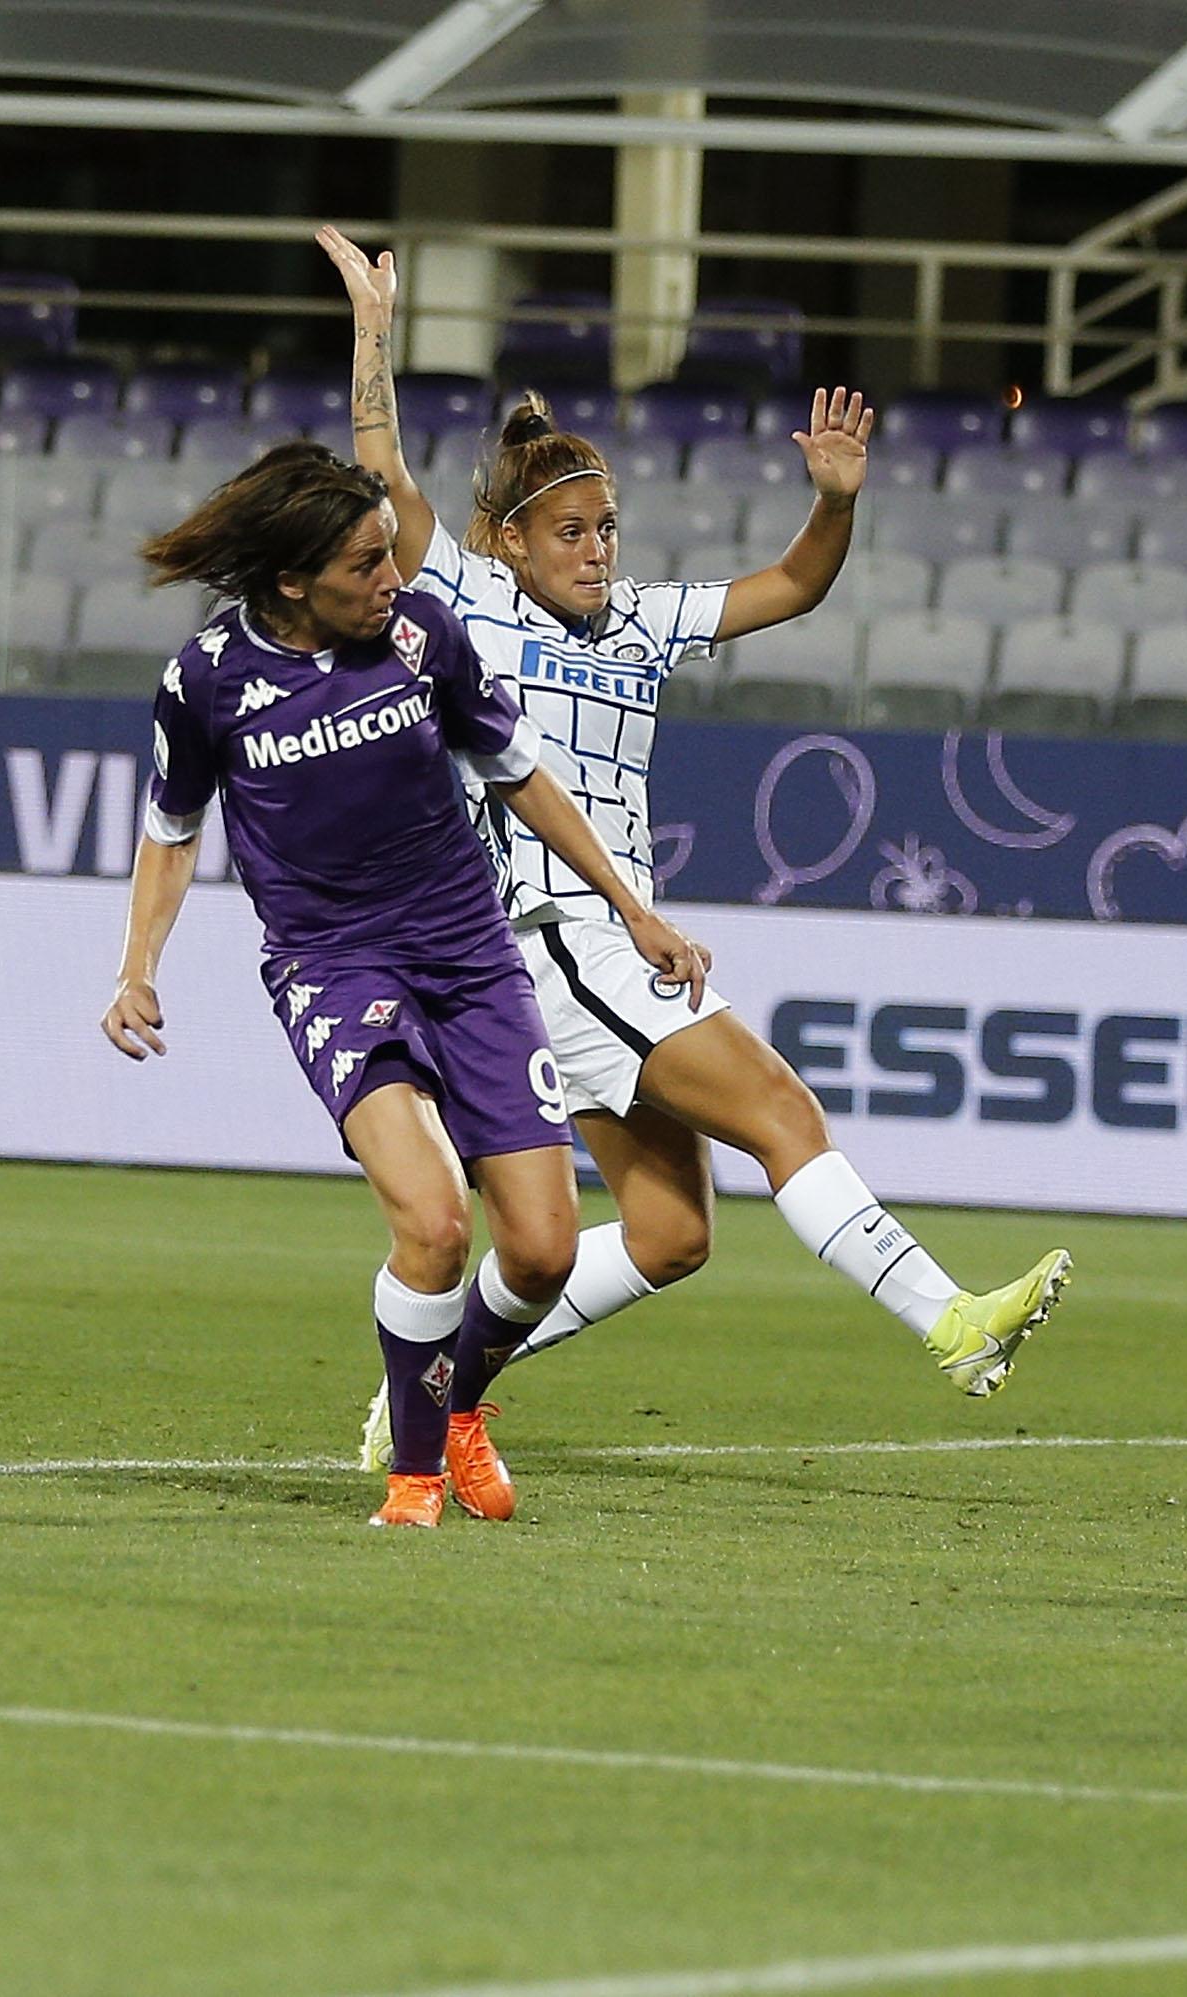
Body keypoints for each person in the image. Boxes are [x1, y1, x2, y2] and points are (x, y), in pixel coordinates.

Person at [317, 228, 1068, 1473]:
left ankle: (430, 1387)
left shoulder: (642, 624)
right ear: (510, 541)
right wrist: (374, 332)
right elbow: (379, 466)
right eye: (573, 531)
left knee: (669, 1233)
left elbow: (789, 587)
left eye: (609, 525)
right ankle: (949, 1319)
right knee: (783, 1109)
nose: (600, 547)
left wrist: (834, 501)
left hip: (609, 932)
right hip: (548, 937)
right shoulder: (460, 593)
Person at [103, 442, 709, 1529]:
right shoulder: (206, 681)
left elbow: (522, 772)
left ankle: (455, 1403)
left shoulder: (427, 636)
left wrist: (631, 907)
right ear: (294, 581)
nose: (394, 579)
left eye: (392, 555)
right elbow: (170, 826)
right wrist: (137, 967)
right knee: (434, 1222)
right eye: (366, 565)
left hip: (471, 954)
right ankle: (413, 1481)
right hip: (333, 965)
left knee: (543, 1248)